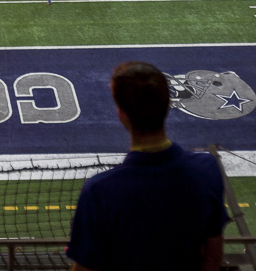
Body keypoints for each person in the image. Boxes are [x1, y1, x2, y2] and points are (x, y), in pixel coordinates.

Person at [67, 60, 226, 271]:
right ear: (167, 105)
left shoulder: (99, 192)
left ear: (121, 115)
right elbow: (213, 257)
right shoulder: (207, 170)